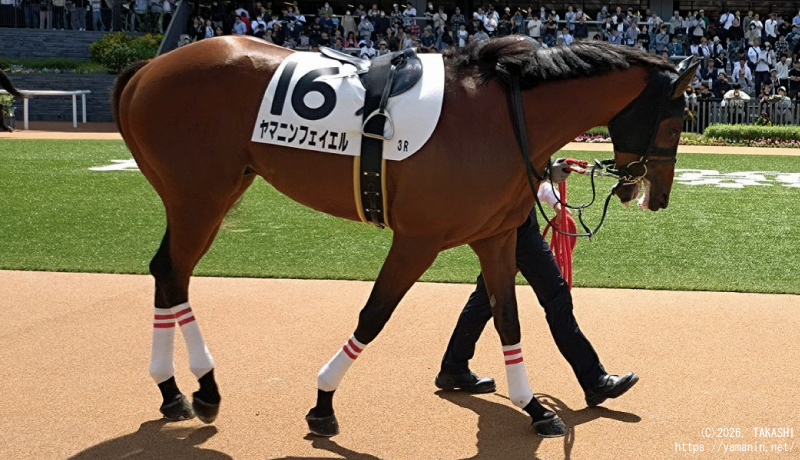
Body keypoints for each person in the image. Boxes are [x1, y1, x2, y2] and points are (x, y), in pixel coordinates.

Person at [436, 169, 639, 414]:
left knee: (485, 299)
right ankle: (594, 381)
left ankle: (453, 367)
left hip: (507, 224)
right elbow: (515, 174)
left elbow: (530, 181)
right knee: (556, 298)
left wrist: (553, 195)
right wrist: (547, 176)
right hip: (514, 228)